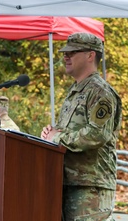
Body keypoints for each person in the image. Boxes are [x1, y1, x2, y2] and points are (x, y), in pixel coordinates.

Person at [40, 32, 122, 221]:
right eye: (65, 52)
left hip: (91, 187)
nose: (65, 56)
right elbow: (69, 131)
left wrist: (57, 138)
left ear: (90, 55)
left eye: (73, 51)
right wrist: (51, 134)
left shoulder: (100, 92)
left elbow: (96, 134)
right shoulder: (76, 91)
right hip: (69, 182)